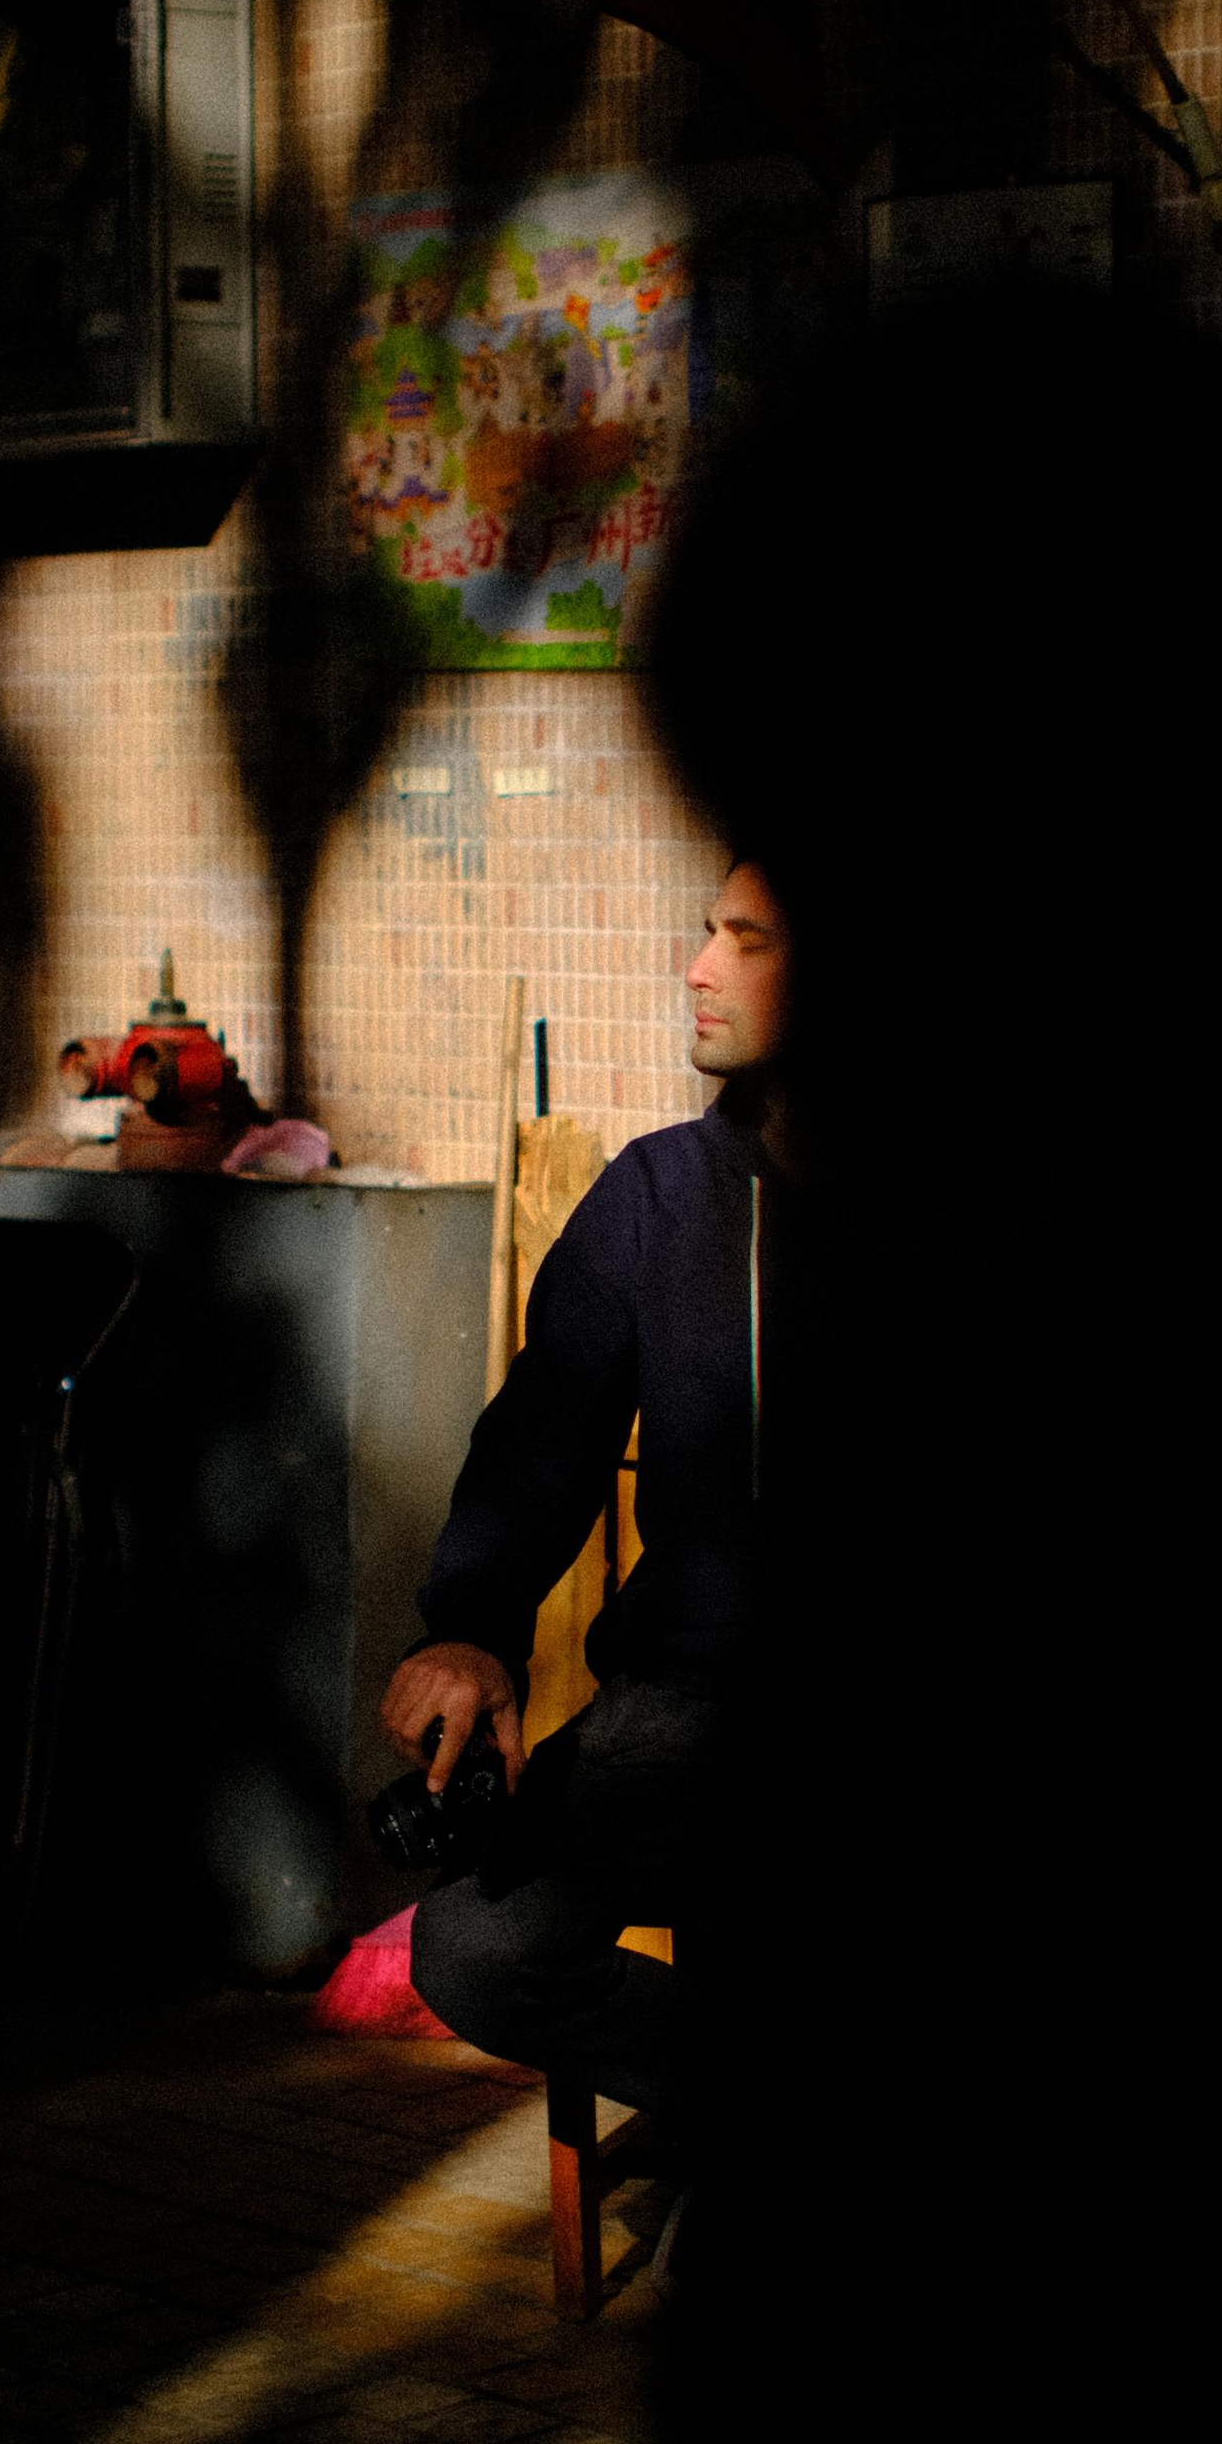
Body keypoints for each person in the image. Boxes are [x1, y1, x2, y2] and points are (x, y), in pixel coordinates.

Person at [383, 862, 792, 2131]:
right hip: (685, 1706)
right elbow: (540, 1441)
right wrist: (470, 1623)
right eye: (703, 934)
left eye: (746, 941)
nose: (698, 969)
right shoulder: (660, 1194)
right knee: (477, 1949)